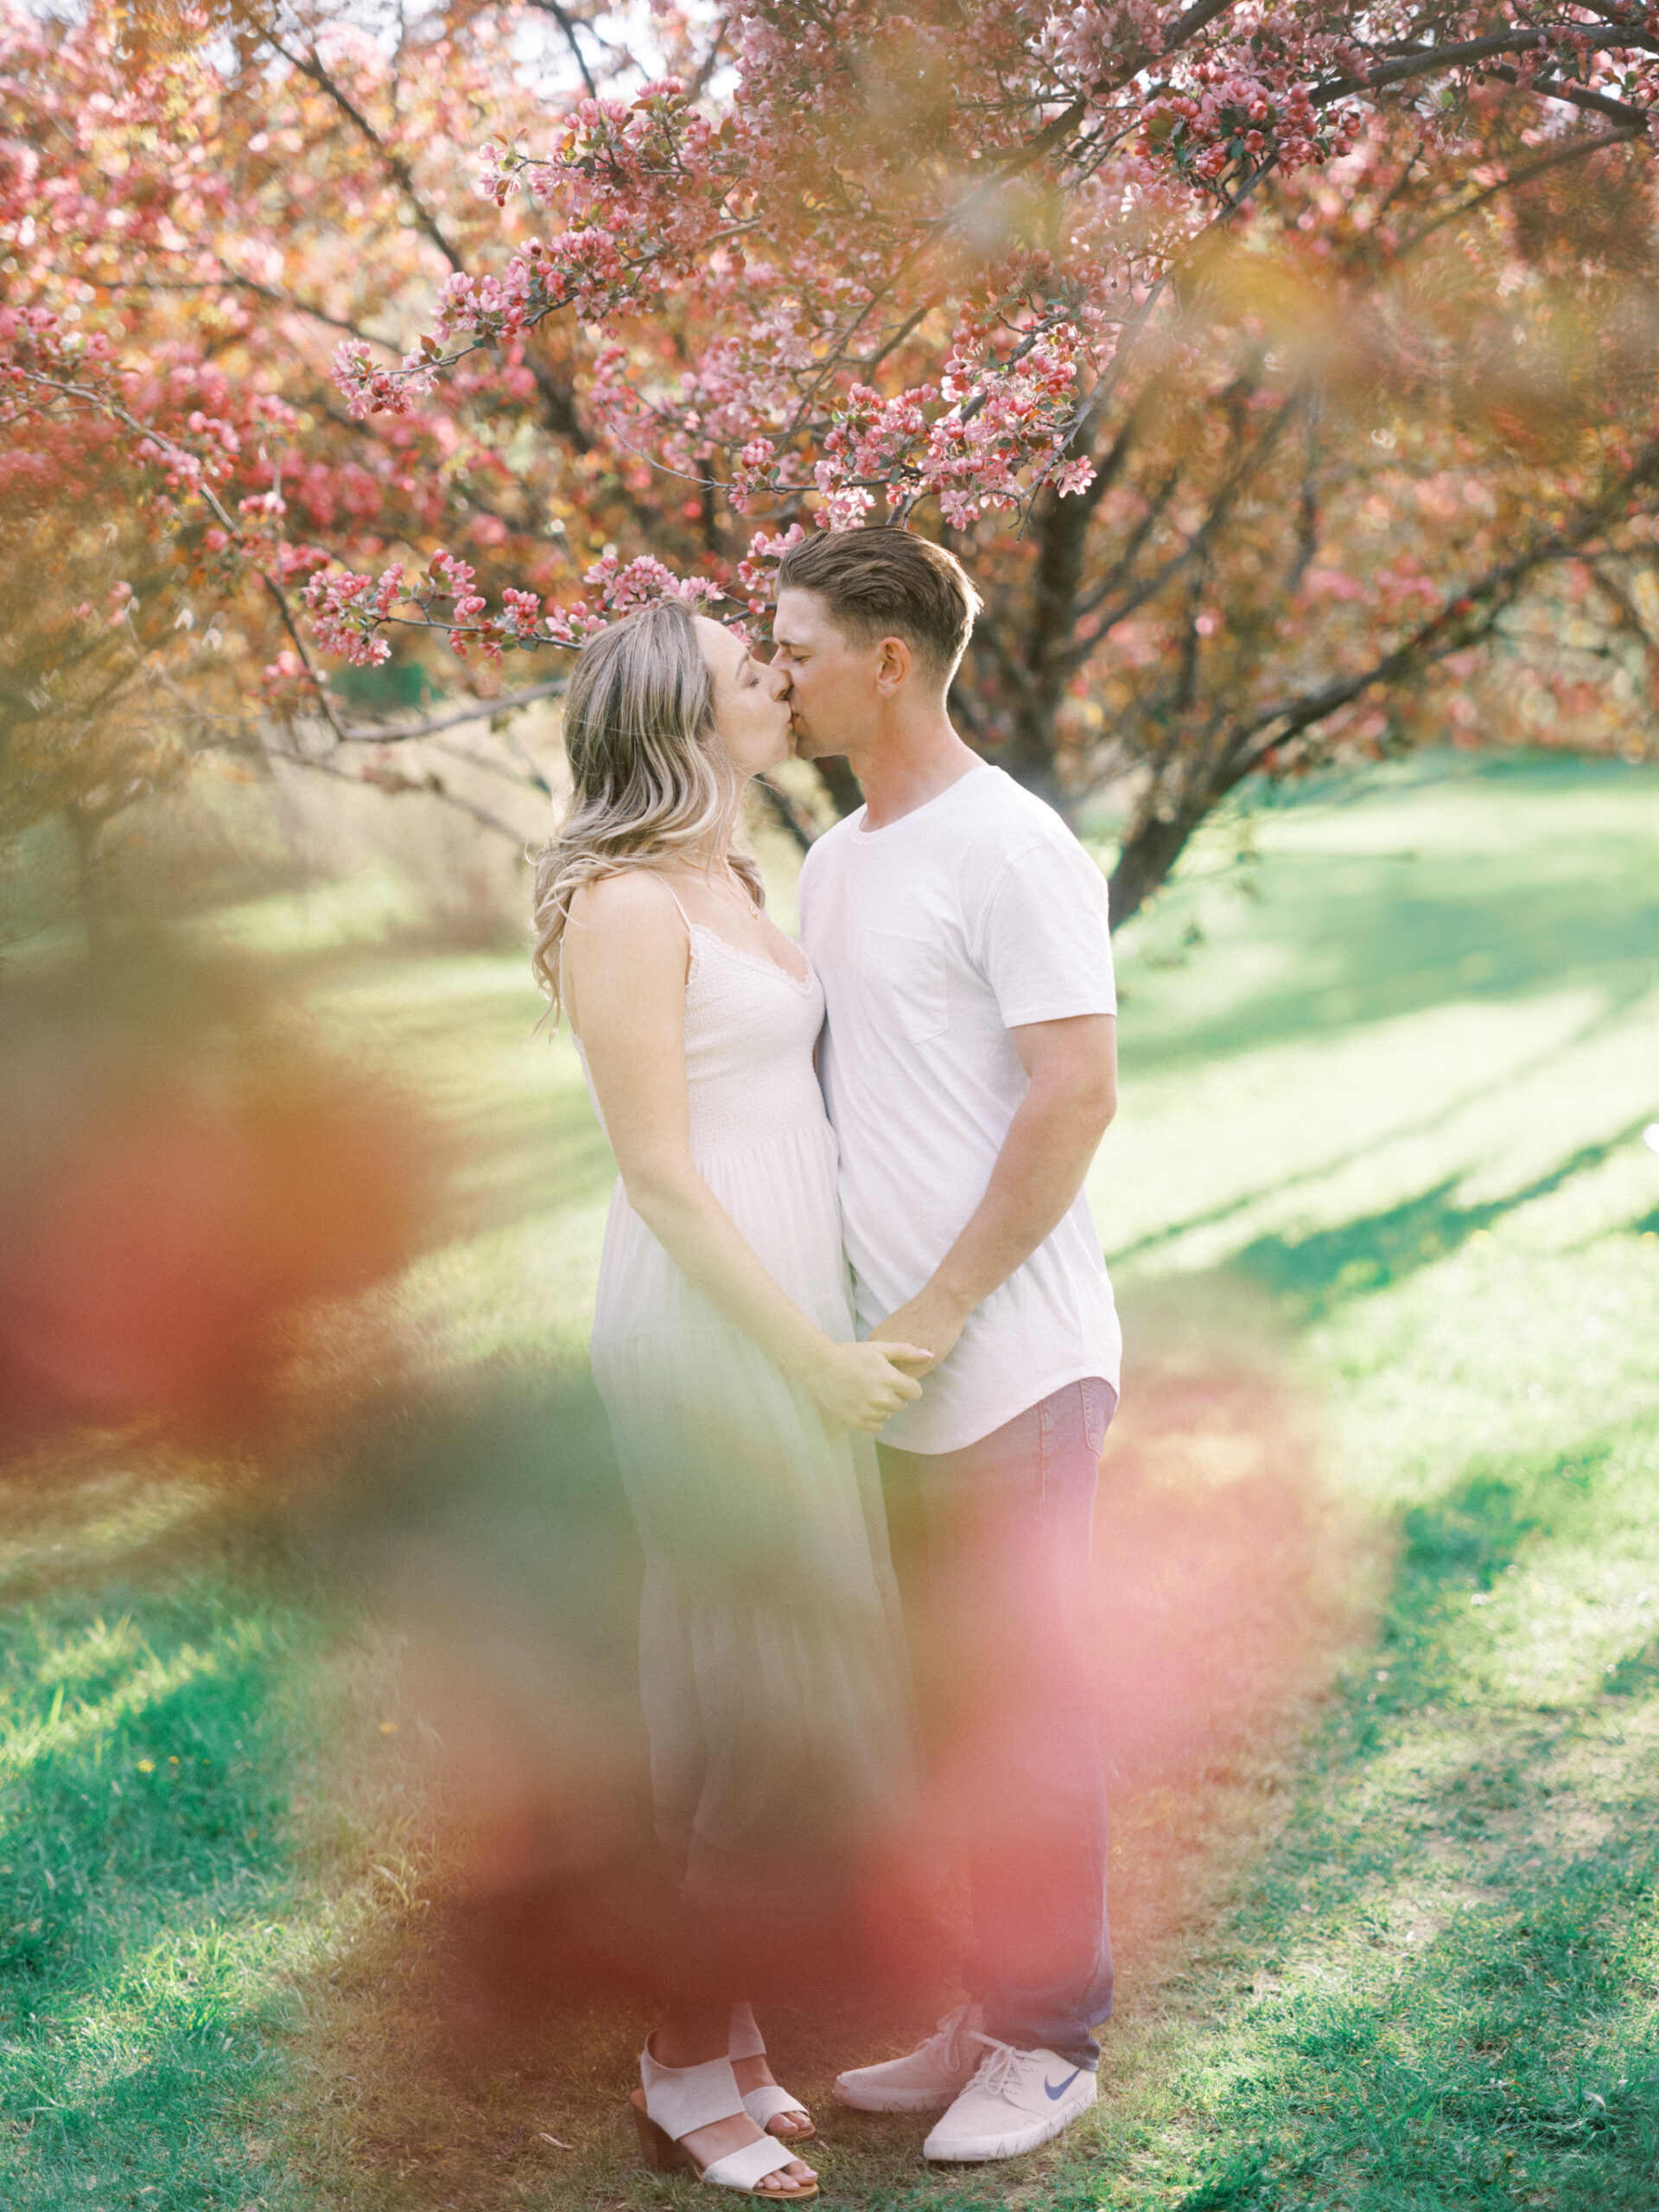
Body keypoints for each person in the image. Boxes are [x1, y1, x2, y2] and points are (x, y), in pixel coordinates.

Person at [531, 599, 929, 2200]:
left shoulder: (735, 881)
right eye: (740, 669)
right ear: (671, 724)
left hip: (786, 1296)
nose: (774, 678)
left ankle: (727, 2032)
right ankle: (681, 2057)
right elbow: (664, 1181)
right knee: (767, 1699)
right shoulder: (628, 905)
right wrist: (810, 1356)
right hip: (711, 1320)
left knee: (757, 1688)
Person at [775, 527, 1122, 2164]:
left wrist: (937, 1306)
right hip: (890, 1380)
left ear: (889, 658)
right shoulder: (836, 862)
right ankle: (985, 2011)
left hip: (1014, 1363)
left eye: (796, 646)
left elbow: (1077, 1096)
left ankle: (1053, 2043)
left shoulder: (1016, 847)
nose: (779, 674)